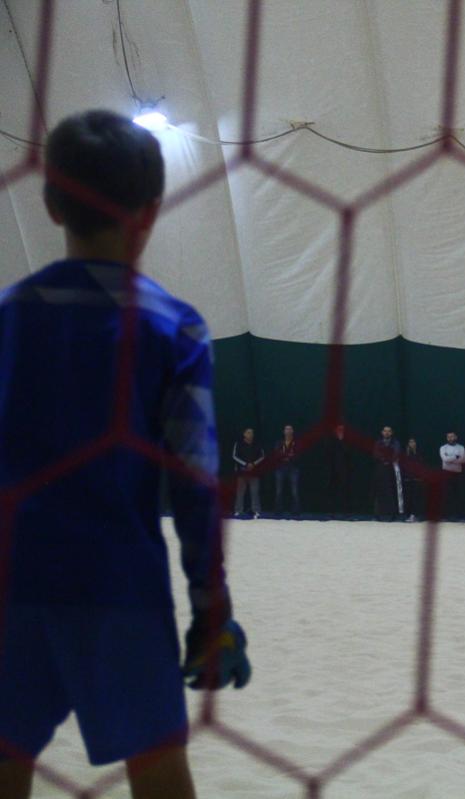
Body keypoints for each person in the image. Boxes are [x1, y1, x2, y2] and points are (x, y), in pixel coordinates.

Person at [0, 110, 249, 799]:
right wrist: (211, 612)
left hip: (11, 584)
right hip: (117, 590)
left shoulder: (8, 317)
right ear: (151, 210)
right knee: (159, 770)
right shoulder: (175, 327)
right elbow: (195, 483)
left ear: (51, 203)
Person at [232, 428, 265, 519]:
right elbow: (234, 456)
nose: (250, 434)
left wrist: (253, 464)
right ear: (244, 434)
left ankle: (256, 510)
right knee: (240, 492)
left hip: (254, 471)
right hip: (242, 471)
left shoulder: (257, 444)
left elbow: (262, 456)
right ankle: (238, 510)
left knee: (255, 492)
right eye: (248, 432)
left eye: (252, 433)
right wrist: (245, 464)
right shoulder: (238, 444)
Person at [371, 426, 402, 522]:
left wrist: (389, 460)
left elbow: (396, 453)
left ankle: (393, 515)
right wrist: (383, 459)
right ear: (382, 432)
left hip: (392, 469)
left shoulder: (395, 443)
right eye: (385, 431)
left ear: (391, 433)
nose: (387, 433)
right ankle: (377, 515)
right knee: (379, 491)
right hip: (380, 469)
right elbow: (375, 453)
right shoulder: (378, 443)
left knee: (392, 491)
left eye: (389, 431)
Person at [439, 431, 465, 521]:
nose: (450, 438)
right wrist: (456, 457)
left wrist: (450, 458)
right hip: (446, 473)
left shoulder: (461, 447)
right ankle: (445, 516)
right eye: (448, 437)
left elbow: (463, 460)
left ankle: (459, 516)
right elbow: (445, 459)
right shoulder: (443, 448)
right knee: (446, 495)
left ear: (456, 437)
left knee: (458, 495)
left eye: (452, 436)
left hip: (457, 474)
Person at [274, 424, 301, 517]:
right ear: (284, 431)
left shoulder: (296, 443)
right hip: (280, 468)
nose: (288, 431)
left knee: (294, 491)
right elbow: (276, 454)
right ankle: (278, 511)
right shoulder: (279, 443)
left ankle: (295, 511)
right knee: (279, 491)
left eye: (290, 429)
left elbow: (297, 454)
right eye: (286, 429)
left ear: (292, 431)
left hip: (293, 468)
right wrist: (287, 456)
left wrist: (287, 456)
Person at [328, 423, 352, 517]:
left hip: (345, 470)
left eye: (342, 430)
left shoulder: (348, 440)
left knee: (345, 490)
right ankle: (332, 511)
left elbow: (349, 453)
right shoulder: (331, 441)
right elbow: (329, 453)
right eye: (338, 430)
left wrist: (342, 441)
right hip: (333, 469)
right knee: (333, 490)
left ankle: (345, 511)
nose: (340, 432)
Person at [401, 438, 425, 522]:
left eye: (413, 442)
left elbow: (421, 465)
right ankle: (409, 515)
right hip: (407, 478)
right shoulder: (405, 454)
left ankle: (415, 515)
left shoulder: (419, 453)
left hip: (417, 479)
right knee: (408, 498)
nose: (412, 443)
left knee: (416, 498)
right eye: (410, 442)